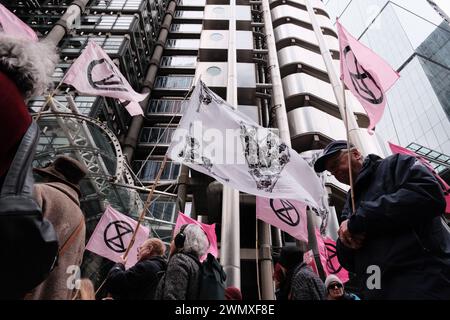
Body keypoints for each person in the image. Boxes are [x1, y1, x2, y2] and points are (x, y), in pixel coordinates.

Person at [314, 140, 450, 299]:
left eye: (337, 164)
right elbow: (348, 260)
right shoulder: (349, 204)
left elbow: (429, 194)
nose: (336, 172)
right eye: (332, 171)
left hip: (422, 282)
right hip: (377, 289)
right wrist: (346, 243)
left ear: (356, 154)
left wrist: (360, 219)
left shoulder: (396, 164)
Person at [27, 156, 88, 300]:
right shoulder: (81, 220)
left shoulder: (39, 192)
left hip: (23, 288)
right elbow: (77, 263)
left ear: (51, 176)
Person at [155, 224, 209, 300]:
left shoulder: (179, 260)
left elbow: (172, 297)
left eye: (174, 239)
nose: (171, 244)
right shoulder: (197, 266)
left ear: (180, 240)